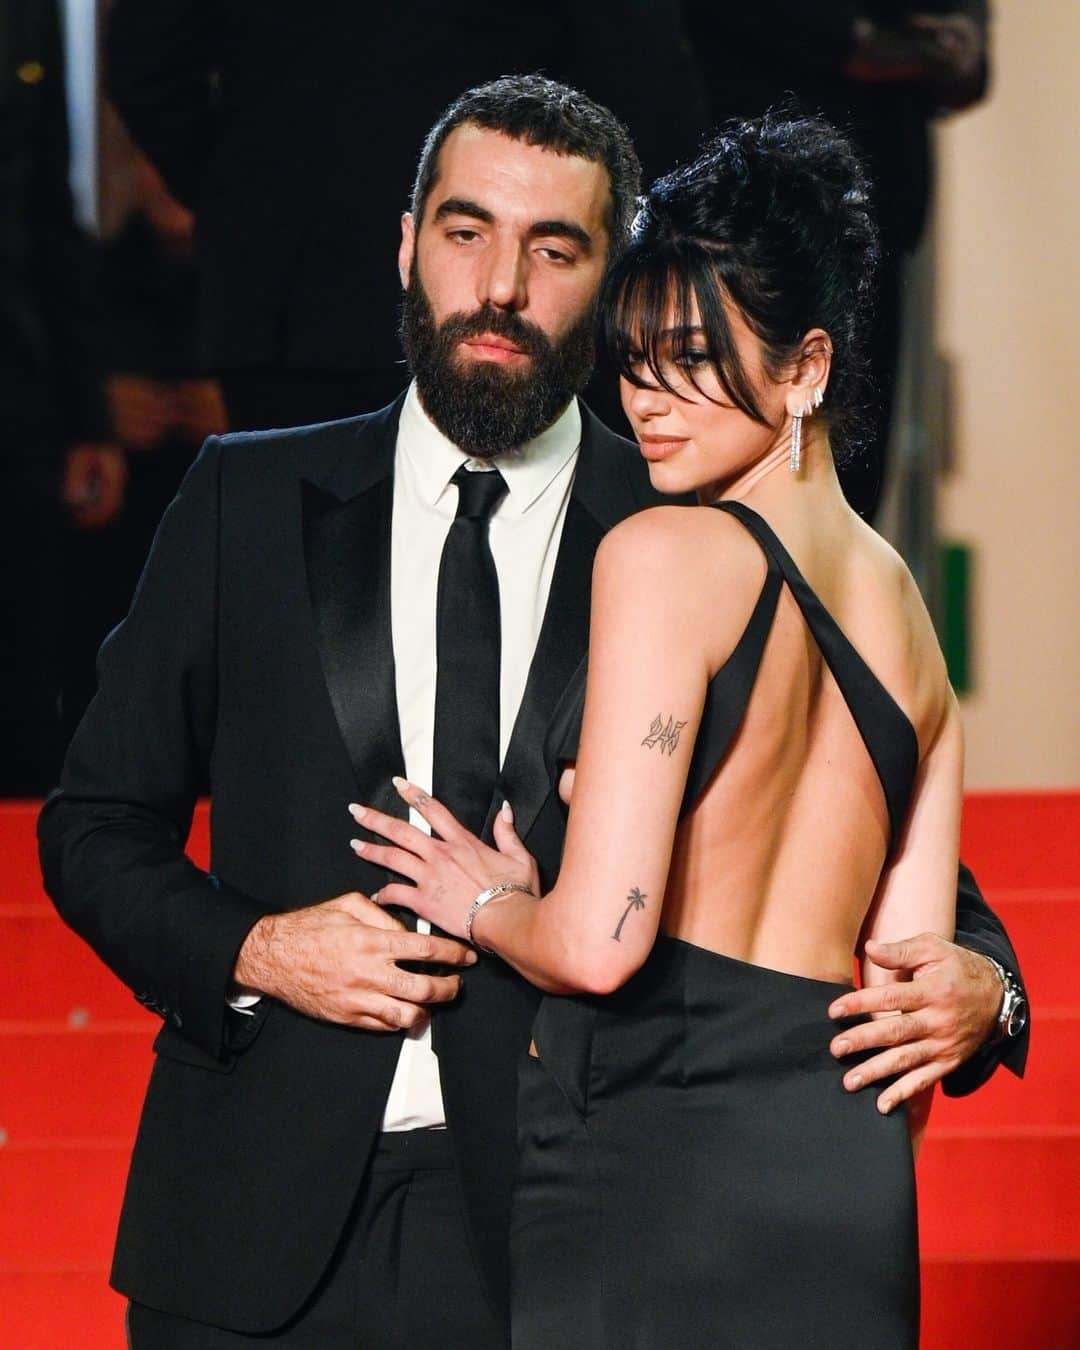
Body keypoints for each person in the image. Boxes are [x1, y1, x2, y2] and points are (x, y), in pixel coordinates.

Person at [38, 78, 1024, 1349]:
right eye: (466, 232)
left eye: (552, 248)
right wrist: (254, 951)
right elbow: (93, 826)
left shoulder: (688, 525)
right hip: (246, 1220)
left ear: (611, 279)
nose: (501, 284)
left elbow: (875, 822)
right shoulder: (245, 500)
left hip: (553, 1221)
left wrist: (988, 985)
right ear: (407, 246)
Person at [348, 113, 1018, 1347]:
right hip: (845, 1179)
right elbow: (907, 1003)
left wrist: (486, 904)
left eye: (694, 360)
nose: (648, 401)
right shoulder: (909, 619)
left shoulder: (665, 553)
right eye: (636, 358)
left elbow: (603, 942)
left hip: (649, 1166)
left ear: (807, 368)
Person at [1, 0, 124, 794]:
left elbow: (45, 212)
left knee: (22, 686)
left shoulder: (25, 15)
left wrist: (91, 418)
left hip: (21, 410)